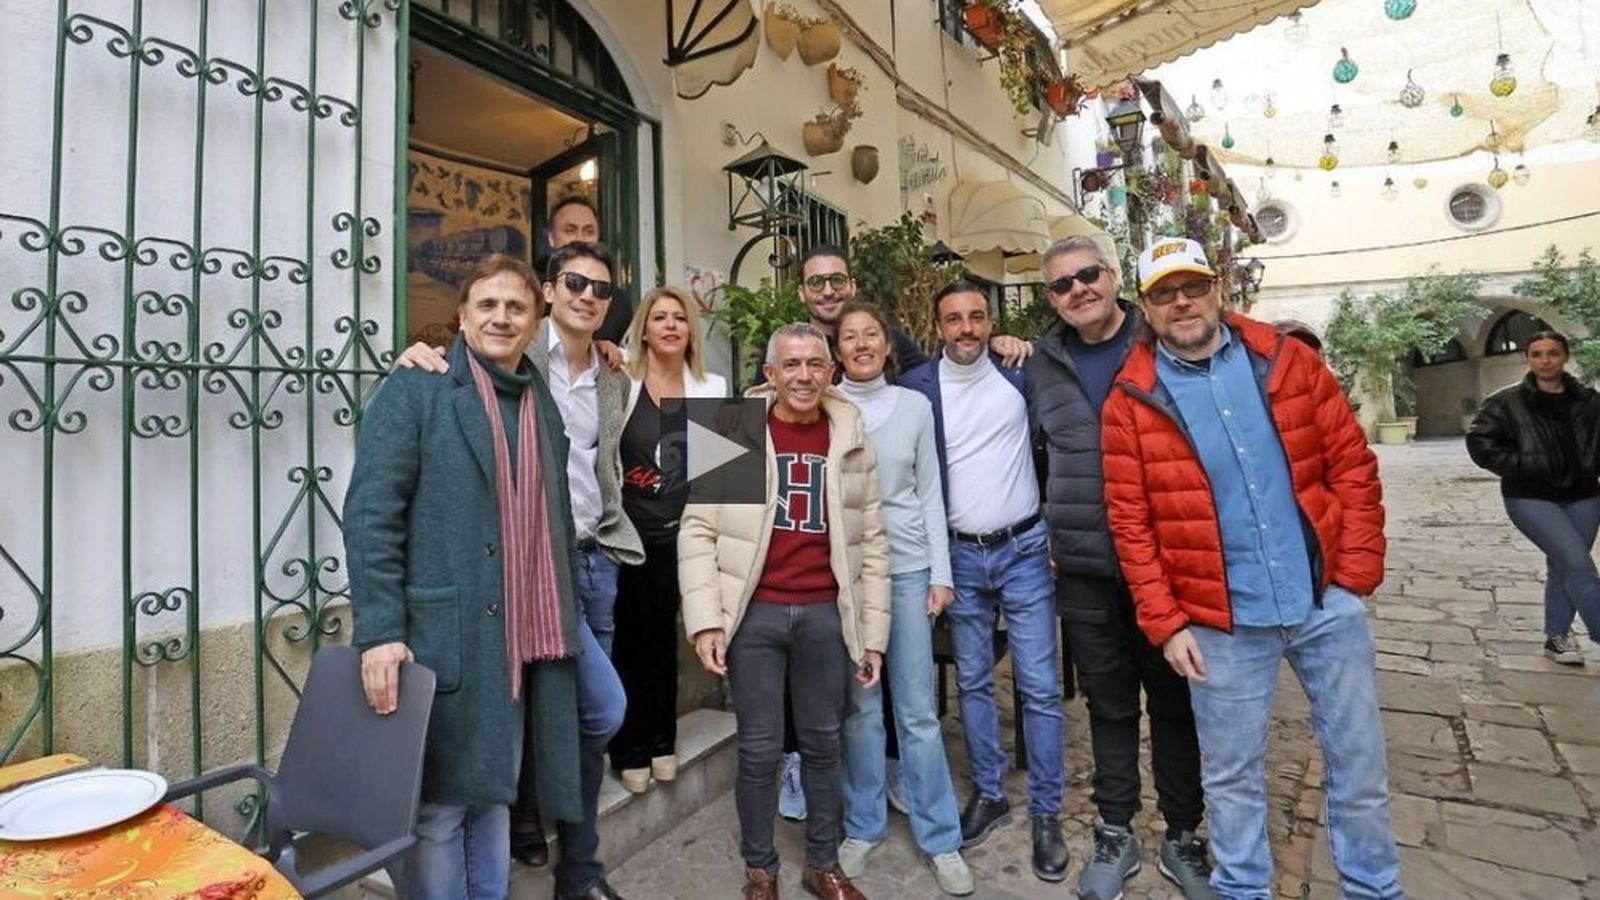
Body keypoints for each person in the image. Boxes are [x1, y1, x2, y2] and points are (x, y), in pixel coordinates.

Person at [1102, 238, 1401, 899]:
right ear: (1145, 309)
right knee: (1231, 779)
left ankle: (1374, 889)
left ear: (1218, 290)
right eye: (1163, 293)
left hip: (1324, 604)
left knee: (1359, 765)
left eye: (1193, 287)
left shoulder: (1286, 361)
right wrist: (1166, 621)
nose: (1181, 302)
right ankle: (1243, 891)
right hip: (1219, 623)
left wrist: (1353, 578)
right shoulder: (1131, 400)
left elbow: (1351, 463)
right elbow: (1132, 523)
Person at [398, 242, 641, 898]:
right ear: (551, 294)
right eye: (575, 282)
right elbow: (388, 501)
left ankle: (579, 869)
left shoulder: (620, 375)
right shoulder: (504, 362)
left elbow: (673, 466)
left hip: (589, 565)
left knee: (593, 715)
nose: (589, 294)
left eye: (602, 288)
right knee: (487, 760)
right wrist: (414, 352)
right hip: (505, 588)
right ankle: (544, 841)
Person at [345, 253, 588, 899]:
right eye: (487, 304)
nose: (501, 317)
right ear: (462, 316)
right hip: (442, 635)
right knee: (443, 809)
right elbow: (371, 515)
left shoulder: (542, 404)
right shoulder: (418, 387)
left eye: (515, 306)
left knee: (494, 796)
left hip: (520, 637)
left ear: (536, 320)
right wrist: (379, 631)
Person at [1024, 235, 1214, 900]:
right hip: (1082, 565)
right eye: (1062, 284)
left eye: (1088, 276)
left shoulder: (1159, 337)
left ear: (1112, 278)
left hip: (1161, 563)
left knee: (1172, 703)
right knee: (1107, 705)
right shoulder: (1041, 364)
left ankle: (1184, 834)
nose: (1077, 290)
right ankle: (1114, 828)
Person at [680, 322, 889, 900]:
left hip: (825, 614)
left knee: (824, 744)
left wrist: (871, 635)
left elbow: (872, 539)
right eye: (790, 365)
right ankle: (759, 868)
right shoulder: (734, 427)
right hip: (756, 617)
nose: (803, 376)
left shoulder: (849, 431)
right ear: (769, 374)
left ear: (830, 372)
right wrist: (706, 621)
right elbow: (697, 530)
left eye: (815, 365)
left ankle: (822, 863)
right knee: (759, 747)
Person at [899, 283, 1068, 884]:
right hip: (961, 557)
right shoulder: (918, 387)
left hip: (1024, 548)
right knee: (972, 680)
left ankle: (1047, 811)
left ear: (989, 321)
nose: (966, 328)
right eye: (954, 319)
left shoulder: (1018, 370)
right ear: (937, 325)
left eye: (976, 317)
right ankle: (990, 793)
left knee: (1040, 685)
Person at [831, 300, 975, 897]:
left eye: (872, 334)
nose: (862, 344)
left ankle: (940, 836)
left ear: (888, 346)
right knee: (862, 708)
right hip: (849, 574)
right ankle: (863, 825)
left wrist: (941, 573)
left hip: (910, 569)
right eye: (849, 336)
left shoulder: (915, 407)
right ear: (835, 349)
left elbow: (930, 494)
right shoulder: (825, 405)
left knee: (915, 711)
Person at [609, 286, 727, 791]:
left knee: (665, 640)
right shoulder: (618, 380)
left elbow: (726, 479)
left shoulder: (712, 386)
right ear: (645, 327)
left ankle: (663, 739)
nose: (671, 325)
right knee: (628, 642)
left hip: (683, 535)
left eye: (680, 317)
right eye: (660, 317)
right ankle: (629, 744)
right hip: (625, 534)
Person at [1467, 329, 1600, 664]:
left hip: (1584, 495)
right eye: (1537, 353)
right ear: (1528, 359)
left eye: (1552, 353)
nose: (1545, 360)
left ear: (1564, 356)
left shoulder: (1589, 400)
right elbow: (1480, 441)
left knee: (1563, 565)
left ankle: (1556, 638)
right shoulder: (1506, 402)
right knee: (1578, 564)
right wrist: (1522, 465)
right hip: (1531, 497)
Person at [546, 196, 633, 344]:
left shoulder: (618, 302)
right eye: (570, 230)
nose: (580, 239)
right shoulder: (528, 291)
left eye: (588, 231)